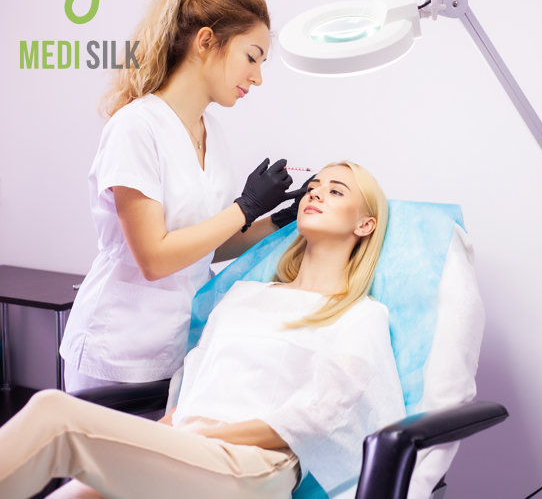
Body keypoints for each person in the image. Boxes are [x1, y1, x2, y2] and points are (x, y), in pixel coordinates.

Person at [0, 162, 405, 499]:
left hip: (256, 464)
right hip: (189, 447)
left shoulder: (360, 315)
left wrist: (212, 433)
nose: (315, 193)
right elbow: (192, 385)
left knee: (55, 413)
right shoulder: (245, 295)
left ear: (366, 224)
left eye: (336, 192)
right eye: (313, 186)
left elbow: (324, 417)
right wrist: (155, 435)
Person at [60, 0, 308, 393]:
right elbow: (154, 258)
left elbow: (204, 246)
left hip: (178, 351)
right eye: (252, 57)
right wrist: (245, 207)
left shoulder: (212, 132)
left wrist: (279, 219)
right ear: (206, 41)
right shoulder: (136, 127)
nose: (258, 77)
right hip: (116, 353)